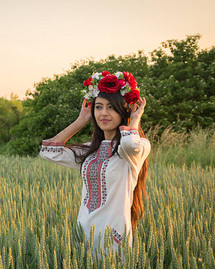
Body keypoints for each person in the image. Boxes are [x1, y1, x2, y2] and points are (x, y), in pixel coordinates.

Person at [39, 71, 150, 255]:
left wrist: (135, 118)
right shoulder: (90, 151)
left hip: (113, 238)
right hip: (84, 234)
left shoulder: (136, 149)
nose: (104, 113)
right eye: (98, 107)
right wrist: (81, 120)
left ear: (124, 110)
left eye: (111, 107)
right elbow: (48, 152)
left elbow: (130, 143)